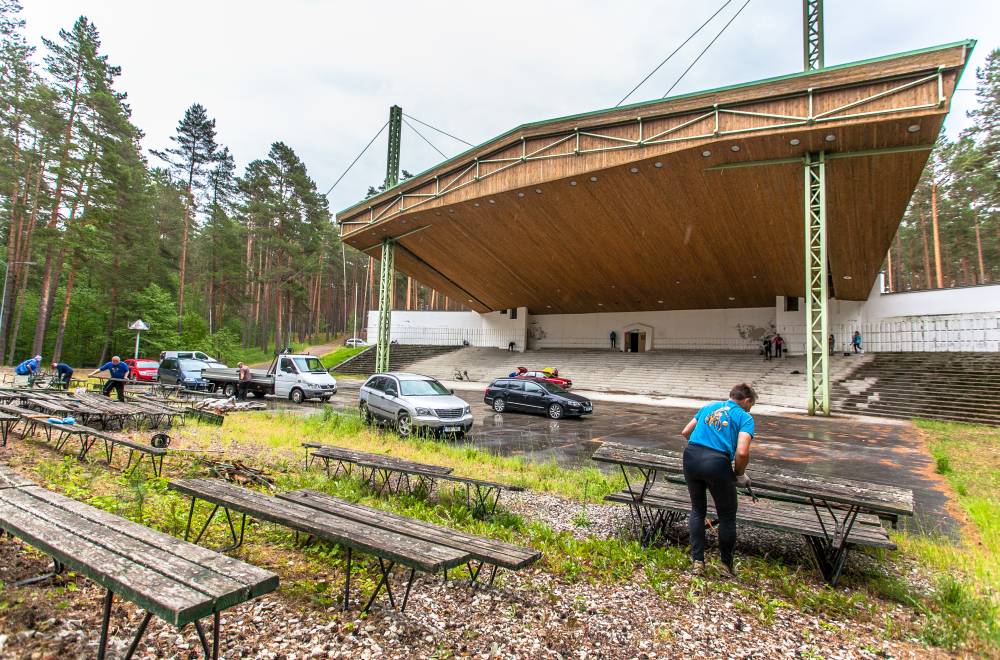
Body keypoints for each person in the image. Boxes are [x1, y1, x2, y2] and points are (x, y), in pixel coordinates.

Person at [680, 383, 757, 577]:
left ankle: (698, 561)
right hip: (717, 463)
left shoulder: (708, 407)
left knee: (698, 510)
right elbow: (742, 451)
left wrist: (702, 447)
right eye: (751, 405)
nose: (750, 409)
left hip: (691, 456)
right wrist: (739, 473)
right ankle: (725, 565)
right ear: (747, 401)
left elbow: (686, 432)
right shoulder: (745, 417)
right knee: (727, 515)